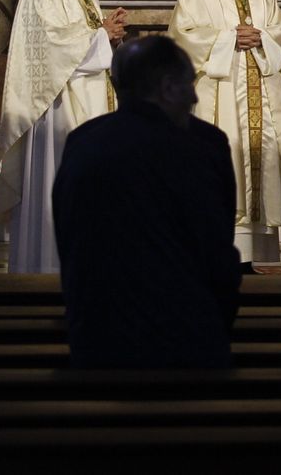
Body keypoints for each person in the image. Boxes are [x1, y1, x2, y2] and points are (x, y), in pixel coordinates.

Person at [53, 36, 241, 369]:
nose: (195, 95)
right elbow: (217, 250)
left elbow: (70, 240)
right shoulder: (203, 145)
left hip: (98, 343)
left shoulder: (83, 142)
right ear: (168, 86)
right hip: (188, 344)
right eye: (188, 84)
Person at [0, 0, 128, 273]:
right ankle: (47, 266)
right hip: (57, 108)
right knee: (59, 185)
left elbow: (82, 36)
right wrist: (102, 34)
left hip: (86, 101)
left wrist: (106, 34)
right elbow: (53, 46)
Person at [169, 0, 281, 267]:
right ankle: (220, 252)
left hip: (260, 90)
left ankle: (251, 256)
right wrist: (227, 38)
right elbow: (183, 37)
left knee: (261, 157)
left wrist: (263, 37)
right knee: (226, 163)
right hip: (220, 93)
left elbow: (280, 28)